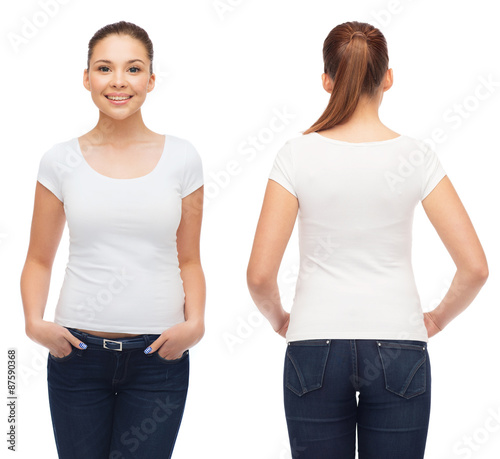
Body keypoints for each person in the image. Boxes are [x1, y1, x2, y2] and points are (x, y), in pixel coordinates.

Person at [247, 20, 488, 459]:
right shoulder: (416, 156)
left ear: (326, 80)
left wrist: (282, 319)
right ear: (388, 78)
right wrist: (436, 319)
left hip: (313, 346)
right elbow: (475, 267)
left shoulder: (295, 155)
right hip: (399, 343)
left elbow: (260, 276)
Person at [20, 21, 205, 459]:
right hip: (77, 355)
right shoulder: (59, 160)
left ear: (151, 80)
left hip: (159, 359)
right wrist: (34, 322)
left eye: (133, 69)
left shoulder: (183, 158)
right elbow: (38, 259)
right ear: (86, 78)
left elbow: (191, 259)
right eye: (104, 68)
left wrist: (194, 323)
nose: (119, 81)